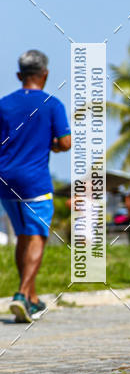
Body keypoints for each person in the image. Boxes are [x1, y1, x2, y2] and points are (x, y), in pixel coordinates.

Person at [0, 50, 71, 322]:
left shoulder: (4, 104)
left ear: (19, 75)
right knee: (37, 237)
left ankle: (31, 298)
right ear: (46, 74)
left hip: (5, 181)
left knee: (22, 236)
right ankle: (21, 294)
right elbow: (65, 142)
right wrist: (51, 144)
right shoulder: (52, 105)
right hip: (34, 182)